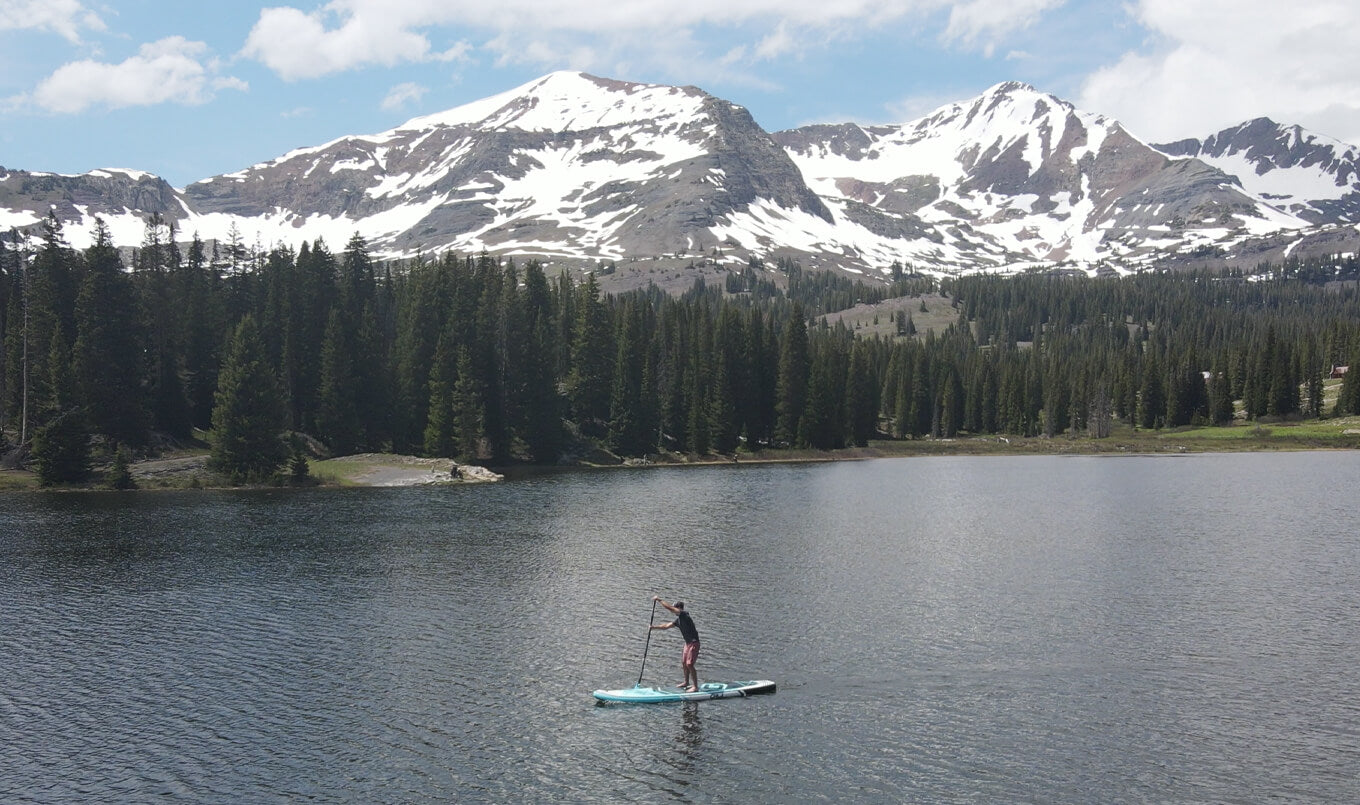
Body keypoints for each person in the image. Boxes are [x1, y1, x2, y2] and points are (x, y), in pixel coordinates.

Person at [651, 596, 700, 691]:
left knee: (689, 664)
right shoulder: (678, 620)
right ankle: (686, 682)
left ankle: (695, 687)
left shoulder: (684, 615)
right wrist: (653, 627)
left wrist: (659, 600)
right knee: (684, 663)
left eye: (675, 608)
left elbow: (669, 608)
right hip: (687, 644)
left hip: (694, 643)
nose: (673, 612)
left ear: (679, 608)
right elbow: (666, 626)